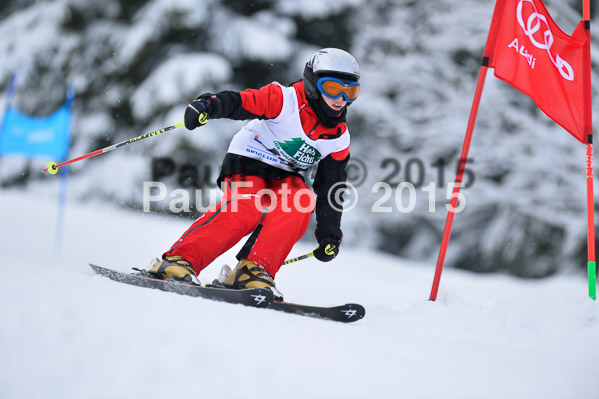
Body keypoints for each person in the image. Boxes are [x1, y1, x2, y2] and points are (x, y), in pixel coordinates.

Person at [145, 48, 360, 299]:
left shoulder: (339, 136)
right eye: (333, 87)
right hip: (248, 159)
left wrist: (329, 234)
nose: (341, 98)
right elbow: (242, 102)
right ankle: (179, 261)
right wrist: (209, 105)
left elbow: (331, 185)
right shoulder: (285, 99)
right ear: (313, 83)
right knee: (247, 207)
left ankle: (252, 271)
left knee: (302, 201)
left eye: (351, 90)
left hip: (285, 174)